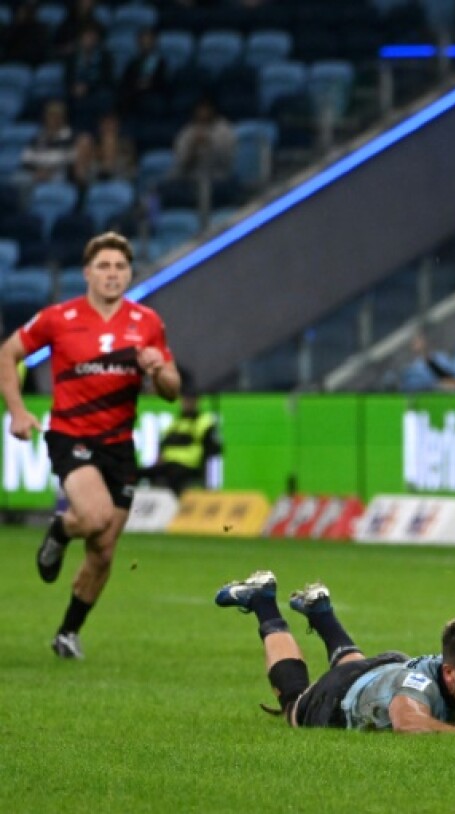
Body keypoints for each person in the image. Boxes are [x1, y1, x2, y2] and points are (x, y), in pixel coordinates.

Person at [0, 231, 181, 660]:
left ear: (129, 273)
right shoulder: (58, 318)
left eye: (119, 267)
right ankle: (60, 529)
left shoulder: (147, 323)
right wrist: (18, 412)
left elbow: (173, 389)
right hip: (71, 435)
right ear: (87, 273)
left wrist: (158, 372)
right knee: (95, 517)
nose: (112, 274)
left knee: (103, 550)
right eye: (104, 266)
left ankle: (67, 632)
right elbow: (7, 353)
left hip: (118, 445)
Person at [214, 571, 455, 735]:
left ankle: (321, 611)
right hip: (341, 696)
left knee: (355, 670)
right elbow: (409, 723)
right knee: (294, 702)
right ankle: (264, 603)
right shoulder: (418, 687)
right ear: (450, 673)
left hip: (381, 671)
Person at [138, 381, 222, 496]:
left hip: (189, 466)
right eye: (185, 399)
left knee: (172, 476)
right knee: (139, 473)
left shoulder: (205, 422)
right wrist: (159, 458)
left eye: (190, 400)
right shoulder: (176, 422)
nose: (187, 402)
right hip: (169, 465)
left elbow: (213, 449)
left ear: (197, 401)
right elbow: (164, 444)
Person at [173, 97, 236, 180]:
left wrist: (210, 143)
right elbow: (181, 165)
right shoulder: (187, 132)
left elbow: (227, 160)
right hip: (191, 180)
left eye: (206, 109)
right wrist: (193, 147)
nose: (203, 112)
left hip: (218, 178)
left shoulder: (224, 129)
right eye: (200, 109)